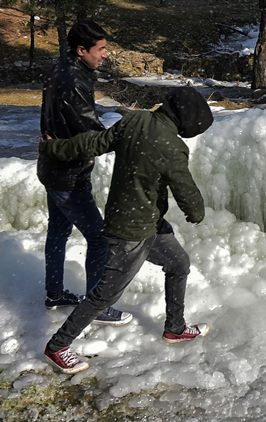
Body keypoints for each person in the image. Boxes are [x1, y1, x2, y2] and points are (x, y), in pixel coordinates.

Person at [39, 87, 214, 374]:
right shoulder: (172, 147)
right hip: (130, 232)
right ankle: (57, 346)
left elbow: (92, 143)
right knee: (104, 295)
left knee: (179, 264)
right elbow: (186, 191)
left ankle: (175, 328)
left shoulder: (136, 120)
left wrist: (53, 147)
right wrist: (197, 213)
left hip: (147, 223)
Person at [38, 20, 132, 326]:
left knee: (59, 230)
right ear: (82, 50)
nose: (105, 54)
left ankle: (54, 293)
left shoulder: (60, 68)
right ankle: (98, 306)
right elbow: (94, 133)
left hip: (53, 167)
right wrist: (132, 135)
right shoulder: (75, 81)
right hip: (68, 173)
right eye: (101, 49)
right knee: (100, 238)